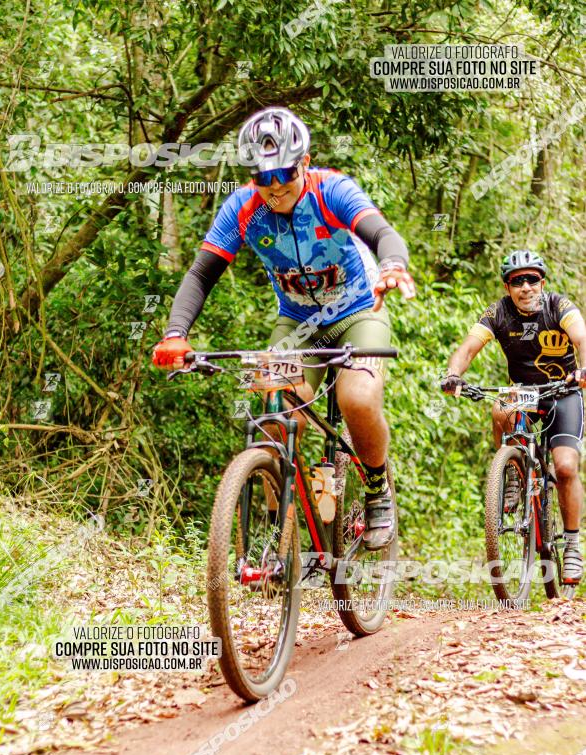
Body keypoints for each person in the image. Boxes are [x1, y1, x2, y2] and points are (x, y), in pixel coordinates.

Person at [152, 106, 415, 549]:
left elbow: (382, 233)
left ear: (305, 163)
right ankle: (280, 530)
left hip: (357, 312)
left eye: (285, 174)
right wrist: (176, 332)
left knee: (358, 396)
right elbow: (201, 275)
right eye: (262, 177)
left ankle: (376, 488)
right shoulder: (242, 209)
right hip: (296, 325)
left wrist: (392, 264)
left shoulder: (333, 191)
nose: (275, 187)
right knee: (274, 413)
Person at [441, 249, 586, 584]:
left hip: (563, 391)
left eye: (532, 279)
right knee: (501, 409)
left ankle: (574, 545)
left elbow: (580, 336)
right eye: (517, 281)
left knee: (565, 467)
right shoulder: (499, 312)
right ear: (508, 287)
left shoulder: (558, 306)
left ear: (542, 283)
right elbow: (468, 348)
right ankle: (513, 476)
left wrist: (582, 369)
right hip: (524, 392)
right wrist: (452, 374)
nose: (525, 287)